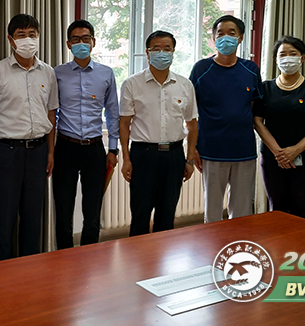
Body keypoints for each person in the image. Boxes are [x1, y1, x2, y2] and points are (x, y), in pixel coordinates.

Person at [0, 14, 59, 260]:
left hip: (38, 151)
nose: (28, 40)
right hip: (7, 153)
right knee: (5, 217)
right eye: (21, 35)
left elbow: (51, 113)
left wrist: (50, 152)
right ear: (10, 39)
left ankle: (30, 270)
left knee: (33, 216)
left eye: (32, 34)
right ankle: (3, 271)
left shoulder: (48, 72)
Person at [119, 31, 198, 236]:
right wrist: (126, 159)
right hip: (143, 155)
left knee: (167, 215)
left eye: (167, 49)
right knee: (140, 214)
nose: (162, 53)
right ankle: (138, 256)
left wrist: (189, 160)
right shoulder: (132, 83)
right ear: (147, 53)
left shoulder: (185, 85)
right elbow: (124, 123)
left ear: (173, 52)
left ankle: (162, 257)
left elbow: (192, 124)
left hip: (174, 156)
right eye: (156, 49)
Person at [53, 20, 119, 248]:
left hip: (94, 149)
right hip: (65, 147)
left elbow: (113, 113)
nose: (81, 43)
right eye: (76, 39)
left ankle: (90, 257)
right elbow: (51, 112)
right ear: (68, 44)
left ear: (93, 42)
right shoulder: (57, 73)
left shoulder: (106, 73)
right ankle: (63, 257)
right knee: (63, 209)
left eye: (85, 38)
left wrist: (113, 149)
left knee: (92, 211)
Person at [189, 15, 261, 223]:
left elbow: (254, 108)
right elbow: (190, 112)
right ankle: (213, 244)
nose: (225, 37)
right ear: (213, 38)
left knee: (242, 212)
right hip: (211, 150)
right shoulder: (201, 69)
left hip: (243, 150)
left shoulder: (250, 69)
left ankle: (238, 243)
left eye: (232, 33)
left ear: (240, 38)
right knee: (212, 211)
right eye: (220, 33)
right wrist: (193, 148)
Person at [253, 36, 305, 219]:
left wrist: (296, 150)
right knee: (276, 210)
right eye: (282, 54)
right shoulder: (265, 88)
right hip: (273, 159)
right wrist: (278, 152)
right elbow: (257, 122)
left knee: (300, 211)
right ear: (275, 59)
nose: (287, 58)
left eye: (293, 53)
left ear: (302, 57)